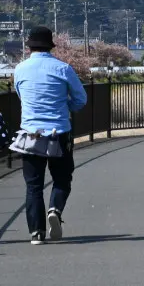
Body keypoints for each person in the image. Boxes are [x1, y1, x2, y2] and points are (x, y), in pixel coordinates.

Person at [12, 26, 87, 244]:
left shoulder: (20, 70)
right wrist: (65, 105)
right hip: (59, 131)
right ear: (50, 46)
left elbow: (21, 95)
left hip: (30, 134)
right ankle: (55, 208)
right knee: (62, 178)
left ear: (30, 47)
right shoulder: (63, 69)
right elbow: (81, 99)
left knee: (33, 185)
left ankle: (36, 233)